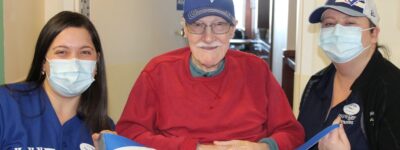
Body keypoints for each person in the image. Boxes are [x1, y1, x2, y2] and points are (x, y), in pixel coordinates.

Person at [116, 0, 304, 149]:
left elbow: (292, 133)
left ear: (232, 29)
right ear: (185, 29)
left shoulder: (257, 69)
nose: (208, 37)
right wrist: (193, 148)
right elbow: (129, 133)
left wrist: (262, 147)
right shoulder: (157, 72)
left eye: (219, 25)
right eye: (198, 25)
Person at [0, 11, 113, 149]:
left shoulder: (103, 130)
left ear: (97, 62)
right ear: (43, 62)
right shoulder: (6, 104)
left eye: (85, 52)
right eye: (61, 52)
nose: (74, 62)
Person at [297, 0, 400, 149]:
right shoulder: (316, 83)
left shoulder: (392, 89)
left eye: (350, 23)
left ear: (374, 34)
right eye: (329, 24)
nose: (337, 32)